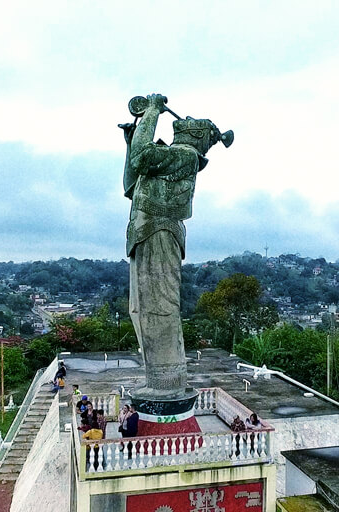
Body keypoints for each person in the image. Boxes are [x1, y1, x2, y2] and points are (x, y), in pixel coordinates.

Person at [121, 93, 229, 400]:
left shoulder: (185, 156)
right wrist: (131, 141)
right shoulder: (170, 157)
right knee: (141, 308)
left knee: (159, 307)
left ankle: (167, 380)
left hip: (160, 232)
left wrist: (152, 113)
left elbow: (142, 158)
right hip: (146, 233)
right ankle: (156, 377)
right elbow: (131, 184)